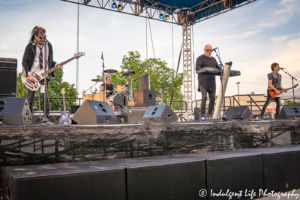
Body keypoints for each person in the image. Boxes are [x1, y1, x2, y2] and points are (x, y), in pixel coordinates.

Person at [22, 26, 63, 117]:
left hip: (43, 75)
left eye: (44, 36)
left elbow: (50, 60)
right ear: (35, 36)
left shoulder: (48, 46)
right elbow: (24, 61)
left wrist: (56, 65)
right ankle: (28, 116)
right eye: (40, 37)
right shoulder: (30, 46)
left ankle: (46, 116)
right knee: (30, 98)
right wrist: (28, 74)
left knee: (44, 96)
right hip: (32, 75)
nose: (42, 39)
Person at [196, 44, 220, 118]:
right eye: (207, 50)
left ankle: (210, 114)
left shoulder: (213, 59)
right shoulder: (200, 58)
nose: (209, 52)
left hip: (212, 83)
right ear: (204, 50)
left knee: (213, 98)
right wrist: (205, 69)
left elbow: (218, 68)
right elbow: (197, 68)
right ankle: (202, 114)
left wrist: (224, 70)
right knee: (204, 98)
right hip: (203, 82)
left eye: (210, 50)